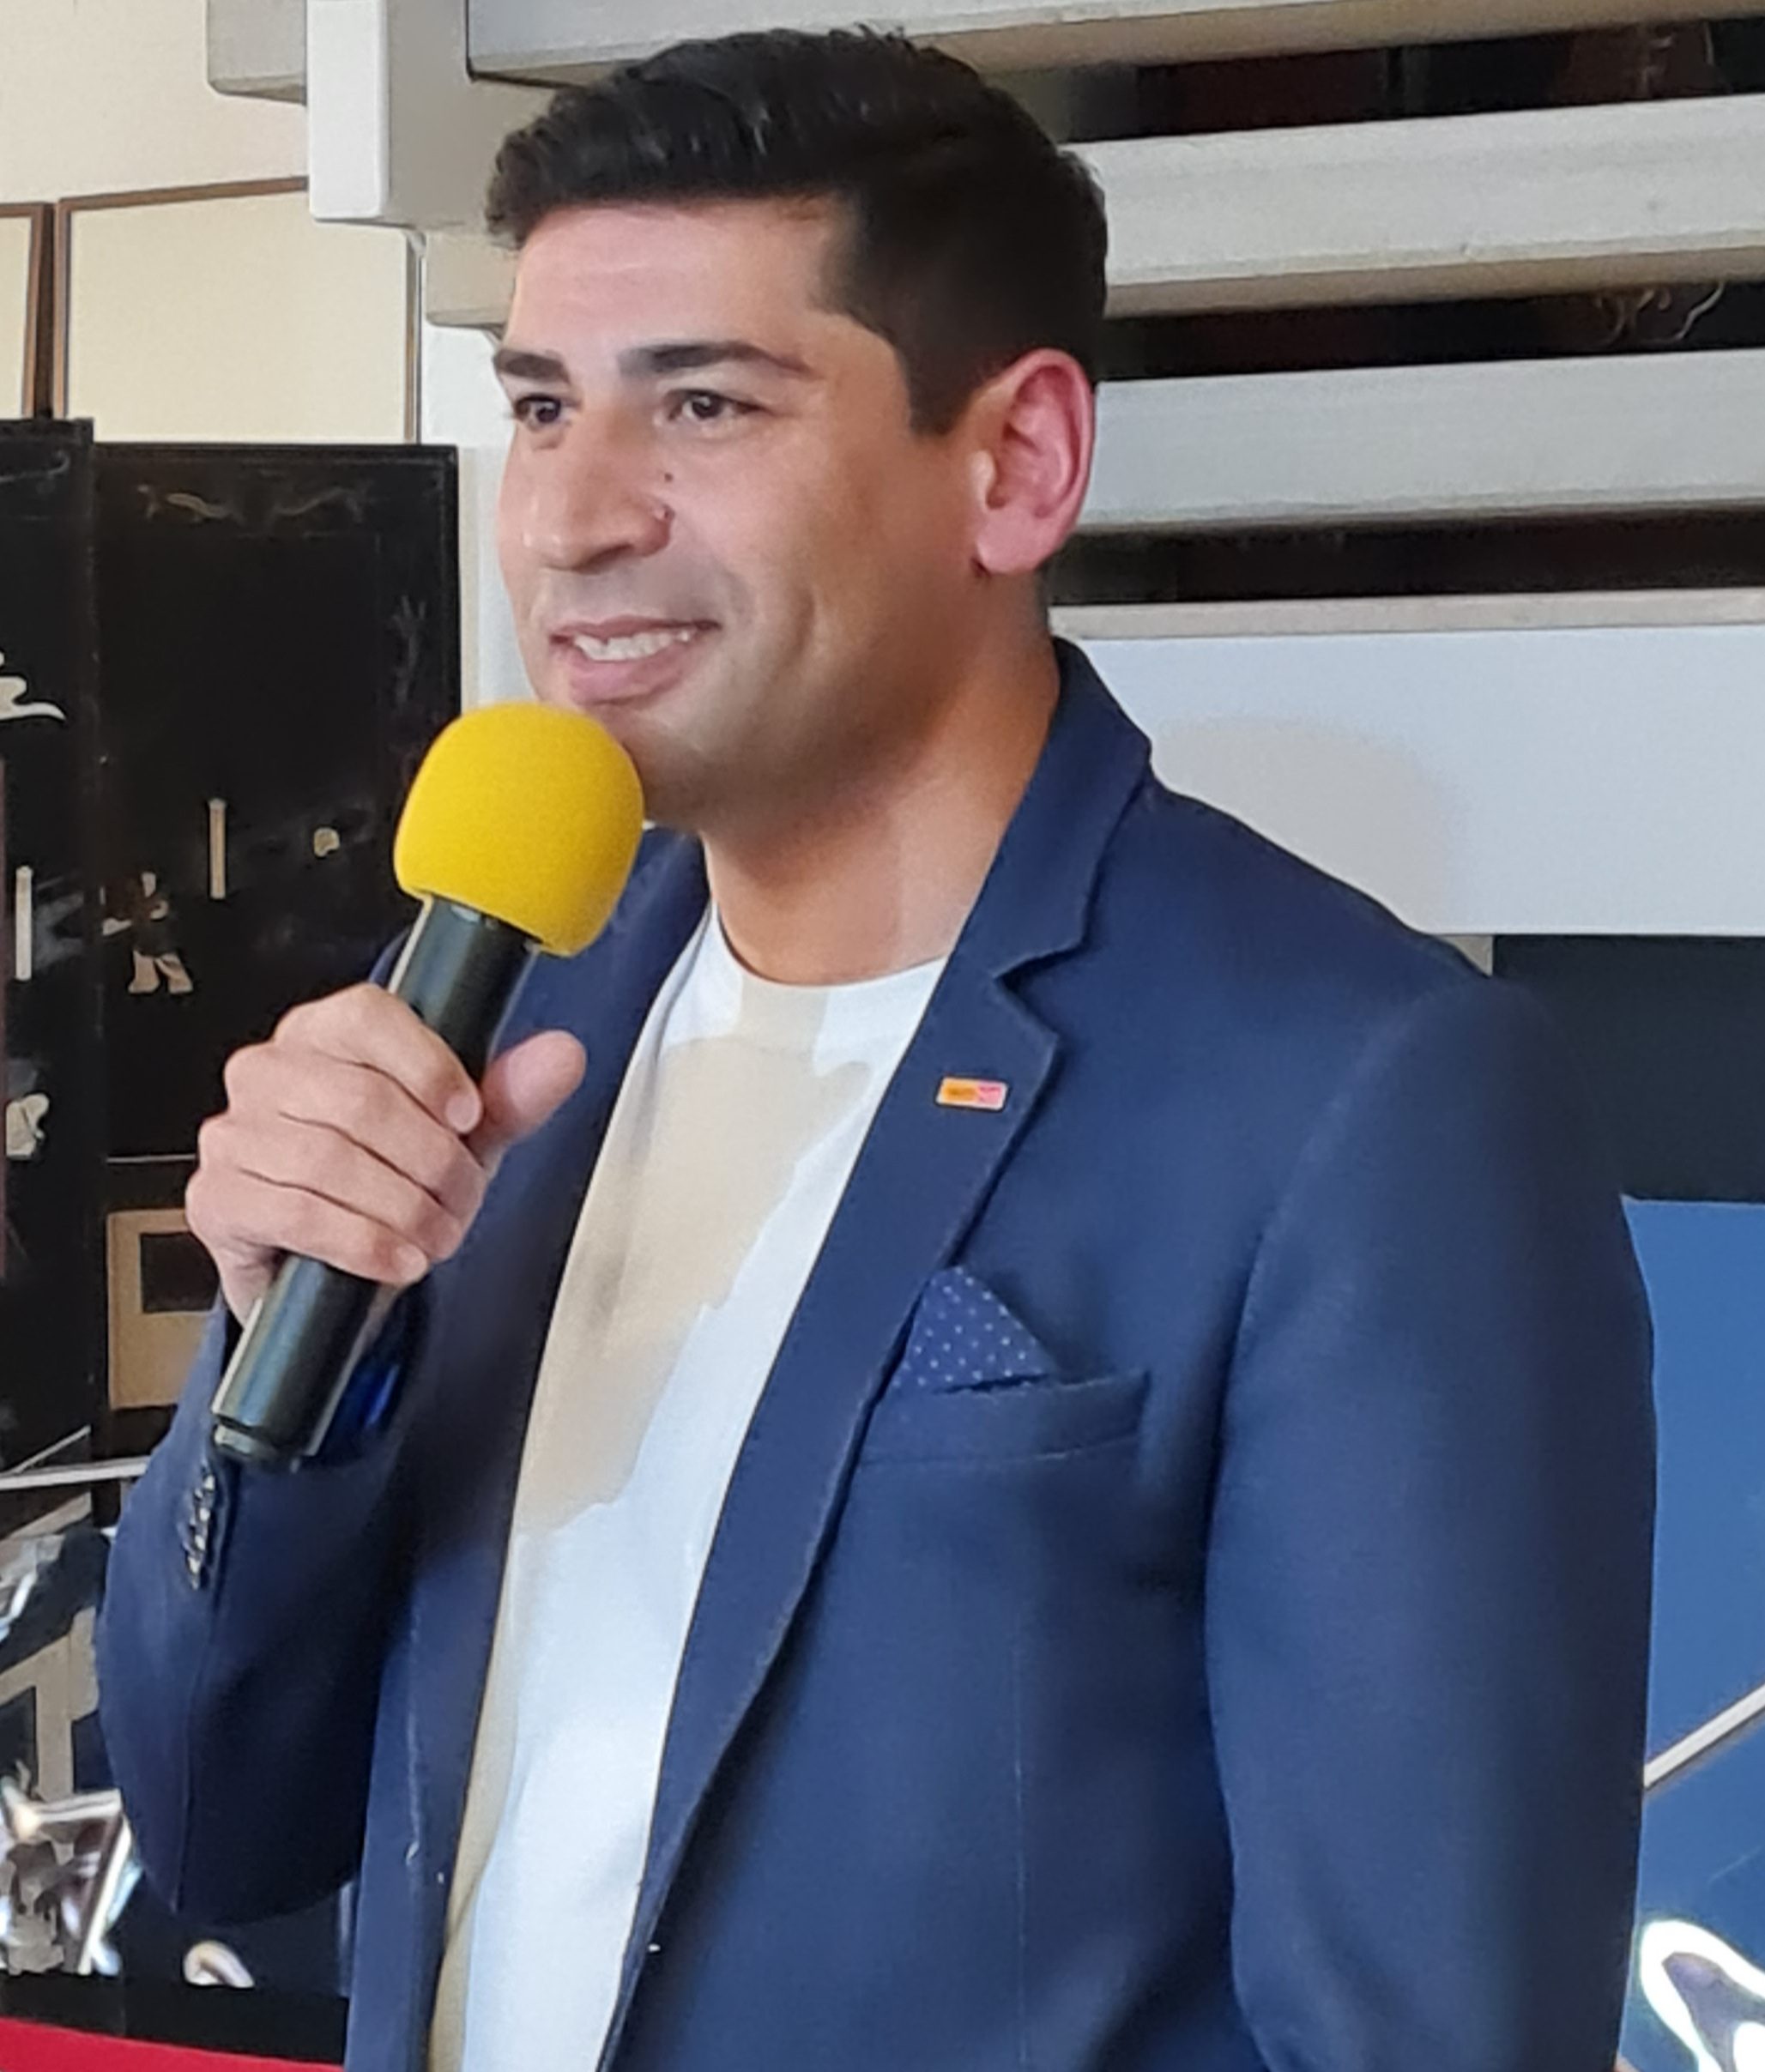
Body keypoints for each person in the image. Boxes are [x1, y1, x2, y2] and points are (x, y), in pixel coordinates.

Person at [98, 30, 1655, 2072]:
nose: (572, 519)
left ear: (1016, 465)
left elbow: (1431, 2035)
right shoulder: (507, 1019)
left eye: (705, 404)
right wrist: (290, 1331)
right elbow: (218, 1818)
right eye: (544, 404)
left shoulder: (1362, 1103)